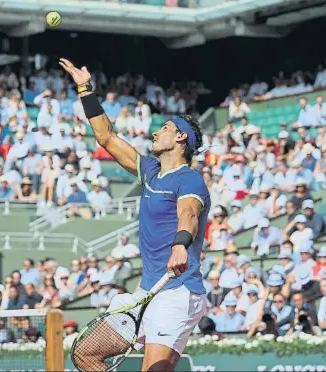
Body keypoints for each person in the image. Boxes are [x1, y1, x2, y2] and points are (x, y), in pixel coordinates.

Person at [60, 58, 209, 372]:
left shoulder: (190, 179)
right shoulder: (150, 171)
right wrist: (85, 90)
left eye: (165, 129)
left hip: (178, 292)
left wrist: (181, 244)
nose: (156, 132)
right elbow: (107, 138)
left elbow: (189, 214)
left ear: (181, 138)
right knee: (85, 354)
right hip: (147, 291)